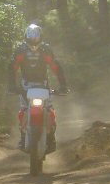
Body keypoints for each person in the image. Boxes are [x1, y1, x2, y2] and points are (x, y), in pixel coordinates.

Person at [8, 23, 68, 152]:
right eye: (31, 37)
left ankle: (51, 137)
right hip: (26, 84)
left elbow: (55, 67)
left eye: (36, 37)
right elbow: (12, 67)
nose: (33, 40)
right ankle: (24, 136)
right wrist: (11, 85)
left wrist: (63, 85)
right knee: (24, 109)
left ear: (40, 36)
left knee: (48, 108)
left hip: (43, 84)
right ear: (26, 36)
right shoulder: (21, 49)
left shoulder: (46, 49)